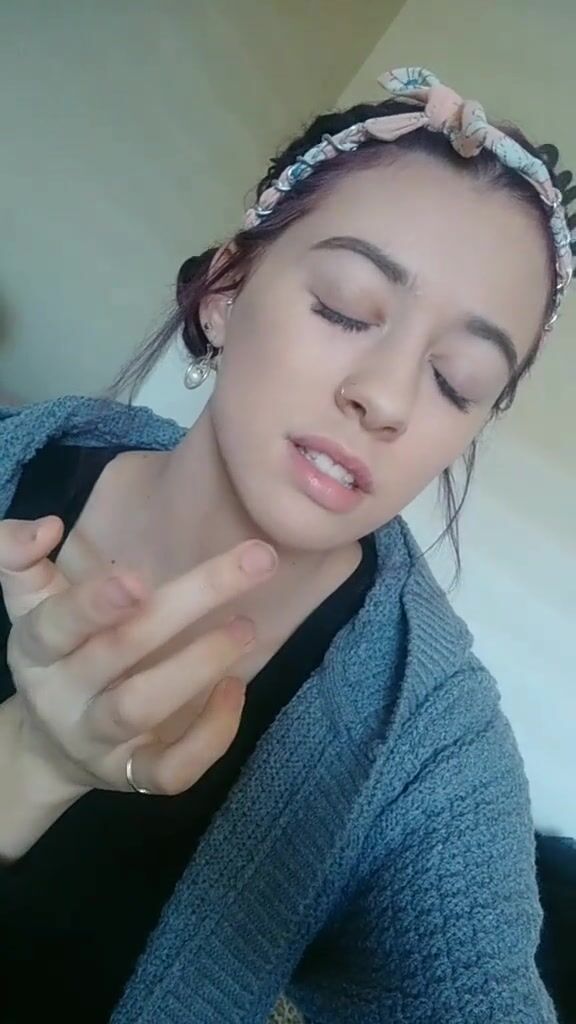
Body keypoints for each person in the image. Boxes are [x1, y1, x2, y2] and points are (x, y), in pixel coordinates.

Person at [0, 65, 572, 1024]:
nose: (385, 399)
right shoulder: (16, 460)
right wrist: (28, 762)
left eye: (458, 380)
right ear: (226, 292)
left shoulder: (430, 750)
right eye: (346, 307)